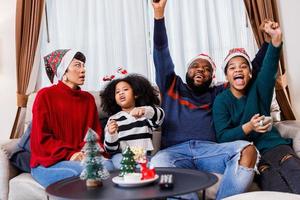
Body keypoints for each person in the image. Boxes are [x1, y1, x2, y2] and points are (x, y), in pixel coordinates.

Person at [150, 1, 269, 199]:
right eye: (195, 66)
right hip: (173, 153)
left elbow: (251, 71)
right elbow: (160, 51)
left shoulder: (219, 93)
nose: (200, 70)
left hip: (211, 152)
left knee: (248, 150)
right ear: (187, 71)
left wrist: (267, 42)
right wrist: (159, 14)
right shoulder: (171, 84)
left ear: (213, 76)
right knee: (157, 167)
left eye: (207, 69)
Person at [213, 20, 300, 193]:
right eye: (232, 67)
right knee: (275, 186)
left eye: (243, 66)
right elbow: (222, 137)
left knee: (293, 169)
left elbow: (268, 67)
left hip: (276, 147)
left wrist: (276, 39)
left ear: (250, 72)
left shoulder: (259, 87)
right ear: (227, 75)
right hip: (253, 157)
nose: (238, 70)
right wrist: (248, 127)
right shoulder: (221, 101)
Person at [30, 49, 111, 188]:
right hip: (48, 162)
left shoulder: (88, 99)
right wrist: (71, 154)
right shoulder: (45, 96)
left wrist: (86, 153)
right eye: (77, 65)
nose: (83, 70)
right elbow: (41, 139)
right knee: (86, 173)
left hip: (81, 157)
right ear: (64, 72)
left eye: (83, 65)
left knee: (108, 167)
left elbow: (93, 135)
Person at [100, 74, 165, 169]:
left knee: (151, 167)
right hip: (122, 156)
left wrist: (145, 111)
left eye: (125, 90)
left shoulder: (145, 114)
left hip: (143, 156)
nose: (121, 93)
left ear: (136, 94)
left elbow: (160, 117)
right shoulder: (113, 119)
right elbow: (110, 149)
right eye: (117, 92)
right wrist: (111, 134)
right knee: (119, 161)